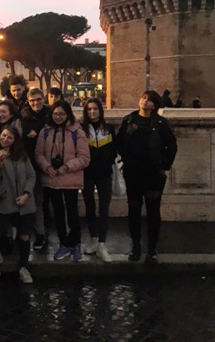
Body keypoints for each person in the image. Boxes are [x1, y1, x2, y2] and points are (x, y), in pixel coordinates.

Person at [117, 90, 177, 263]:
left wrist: (163, 165)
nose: (145, 102)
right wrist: (127, 161)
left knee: (153, 211)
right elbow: (120, 143)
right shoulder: (128, 120)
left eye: (149, 100)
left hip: (153, 173)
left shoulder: (161, 123)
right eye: (143, 98)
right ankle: (135, 246)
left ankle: (152, 248)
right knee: (134, 210)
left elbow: (171, 145)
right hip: (133, 172)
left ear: (155, 105)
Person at [35, 100, 90, 262]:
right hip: (52, 178)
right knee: (58, 213)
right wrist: (47, 167)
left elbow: (84, 157)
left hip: (70, 178)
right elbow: (39, 154)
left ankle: (75, 243)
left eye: (62, 114)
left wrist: (67, 167)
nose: (58, 117)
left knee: (72, 213)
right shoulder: (45, 132)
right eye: (55, 114)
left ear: (68, 115)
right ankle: (63, 244)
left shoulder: (77, 132)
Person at [0, 125, 36, 286]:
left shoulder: (22, 155)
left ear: (15, 141)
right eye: (4, 136)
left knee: (24, 235)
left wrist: (26, 194)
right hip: (4, 200)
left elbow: (31, 176)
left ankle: (23, 267)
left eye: (10, 137)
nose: (5, 139)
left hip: (23, 201)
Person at [80, 97, 117, 262]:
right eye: (89, 109)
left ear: (100, 111)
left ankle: (102, 243)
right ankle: (93, 238)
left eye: (95, 109)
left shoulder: (109, 128)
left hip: (104, 173)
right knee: (89, 207)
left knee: (104, 208)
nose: (92, 112)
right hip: (86, 174)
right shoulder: (81, 129)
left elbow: (114, 150)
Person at [20, 88, 51, 254]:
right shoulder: (24, 117)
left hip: (49, 163)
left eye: (38, 100)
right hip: (29, 164)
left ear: (43, 98)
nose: (36, 103)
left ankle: (43, 233)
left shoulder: (51, 114)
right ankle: (36, 233)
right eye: (32, 101)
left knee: (44, 202)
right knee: (34, 200)